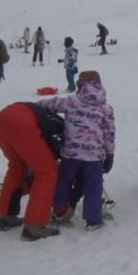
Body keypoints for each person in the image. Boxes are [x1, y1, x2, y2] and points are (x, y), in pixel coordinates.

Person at [38, 71, 115, 230]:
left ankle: (59, 211)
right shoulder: (106, 108)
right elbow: (109, 133)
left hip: (70, 153)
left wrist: (35, 106)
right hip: (94, 156)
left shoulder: (71, 101)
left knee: (64, 181)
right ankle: (92, 219)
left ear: (81, 84)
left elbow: (50, 104)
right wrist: (110, 154)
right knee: (93, 186)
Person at [0, 103, 62, 241]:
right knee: (47, 173)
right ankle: (35, 225)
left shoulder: (54, 121)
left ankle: (7, 216)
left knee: (18, 166)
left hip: (2, 119)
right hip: (23, 122)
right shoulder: (65, 130)